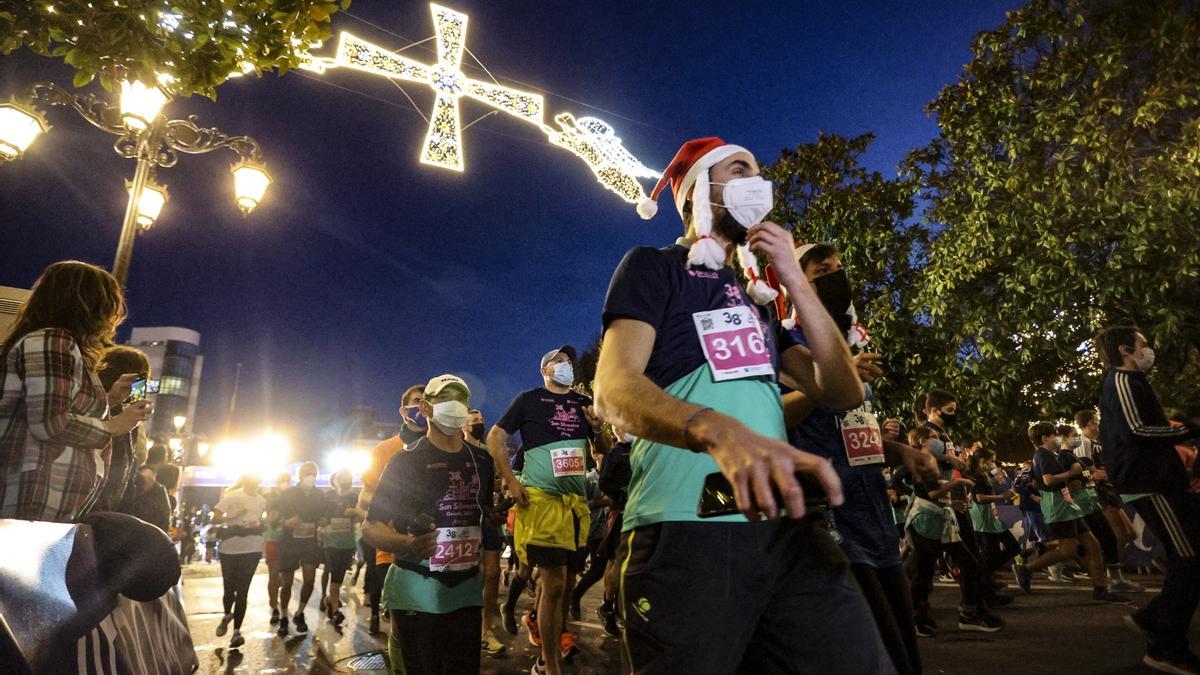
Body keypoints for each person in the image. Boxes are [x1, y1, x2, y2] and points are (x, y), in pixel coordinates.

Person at [594, 137, 889, 673]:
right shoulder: (654, 267)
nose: (757, 179)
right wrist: (717, 430)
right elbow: (612, 389)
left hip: (787, 525)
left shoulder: (758, 300)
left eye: (759, 169)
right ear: (694, 194)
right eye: (738, 169)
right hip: (687, 526)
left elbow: (841, 390)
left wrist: (794, 279)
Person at [774, 240, 933, 674]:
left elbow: (854, 428)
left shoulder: (854, 342)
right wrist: (829, 378)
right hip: (830, 522)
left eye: (838, 269)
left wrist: (901, 451)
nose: (835, 277)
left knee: (900, 648)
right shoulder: (785, 343)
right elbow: (772, 420)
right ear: (794, 286)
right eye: (821, 273)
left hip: (875, 518)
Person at [363, 375, 496, 674]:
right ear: (425, 407)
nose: (455, 404)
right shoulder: (404, 461)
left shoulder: (483, 461)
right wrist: (408, 544)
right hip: (418, 591)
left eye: (461, 398)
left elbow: (482, 513)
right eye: (445, 397)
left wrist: (491, 519)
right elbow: (370, 528)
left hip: (466, 592)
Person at [0, 261, 152, 522]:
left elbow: (60, 407)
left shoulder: (59, 343)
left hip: (40, 495)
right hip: (32, 495)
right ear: (87, 304)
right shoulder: (53, 341)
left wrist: (112, 398)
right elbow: (51, 422)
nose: (111, 318)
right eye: (108, 305)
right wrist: (115, 426)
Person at [489, 345, 604, 674]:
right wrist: (511, 480)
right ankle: (550, 665)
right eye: (559, 361)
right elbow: (496, 438)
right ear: (545, 370)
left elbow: (604, 450)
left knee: (566, 585)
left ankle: (541, 638)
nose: (567, 364)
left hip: (576, 510)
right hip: (542, 504)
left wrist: (597, 428)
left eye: (569, 361)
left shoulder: (584, 404)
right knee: (553, 584)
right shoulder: (529, 400)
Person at [1095, 325, 1200, 673]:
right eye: (1143, 344)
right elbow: (1136, 430)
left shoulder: (1134, 382)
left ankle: (1155, 619)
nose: (1148, 349)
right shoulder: (1122, 381)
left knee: (1190, 556)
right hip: (1149, 483)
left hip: (1161, 481)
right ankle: (1165, 643)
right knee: (1188, 558)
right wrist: (1187, 430)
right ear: (1126, 350)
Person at [896, 427, 1001, 637]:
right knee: (924, 573)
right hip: (925, 521)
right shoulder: (919, 462)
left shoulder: (936, 461)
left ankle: (969, 613)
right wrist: (958, 482)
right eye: (933, 439)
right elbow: (932, 492)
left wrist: (953, 499)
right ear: (920, 441)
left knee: (968, 563)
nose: (938, 442)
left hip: (941, 519)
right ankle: (916, 617)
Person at [1011, 422, 1130, 605]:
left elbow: (1038, 482)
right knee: (1067, 548)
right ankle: (1027, 568)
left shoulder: (1049, 455)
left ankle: (1101, 589)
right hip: (1058, 507)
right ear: (1045, 438)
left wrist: (1069, 483)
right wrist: (1070, 473)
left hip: (1066, 504)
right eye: (1055, 435)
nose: (1058, 438)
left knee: (1093, 544)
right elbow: (1048, 480)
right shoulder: (1043, 455)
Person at [358, 383, 427, 635]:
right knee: (403, 625)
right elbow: (364, 497)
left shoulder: (446, 446)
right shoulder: (384, 450)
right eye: (417, 400)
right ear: (403, 410)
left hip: (436, 549)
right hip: (392, 550)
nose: (422, 406)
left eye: (427, 401)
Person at [1075, 409, 1143, 593]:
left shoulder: (1098, 442)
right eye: (1096, 419)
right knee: (1118, 535)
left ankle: (1110, 573)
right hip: (1097, 492)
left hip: (1108, 490)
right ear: (1089, 423)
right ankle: (1111, 577)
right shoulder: (1083, 442)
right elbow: (1082, 471)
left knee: (1130, 535)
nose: (1098, 422)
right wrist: (1101, 474)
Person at [466, 409, 508, 657]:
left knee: (493, 572)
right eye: (474, 421)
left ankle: (486, 631)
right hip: (463, 519)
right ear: (463, 425)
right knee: (468, 574)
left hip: (487, 518)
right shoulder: (457, 450)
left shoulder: (487, 454)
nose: (479, 424)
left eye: (481, 421)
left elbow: (493, 485)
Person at [93, 345, 151, 512]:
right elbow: (133, 462)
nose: (141, 387)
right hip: (103, 504)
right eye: (142, 380)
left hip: (94, 501)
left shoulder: (90, 402)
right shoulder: (125, 414)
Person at [212, 473, 266, 649]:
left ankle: (236, 632)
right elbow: (215, 518)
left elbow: (259, 520)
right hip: (230, 547)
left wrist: (257, 525)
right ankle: (227, 614)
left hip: (252, 547)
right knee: (229, 589)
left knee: (243, 590)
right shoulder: (233, 496)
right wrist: (233, 516)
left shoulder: (261, 501)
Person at [275, 461, 326, 636]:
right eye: (307, 473)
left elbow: (324, 515)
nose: (310, 476)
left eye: (313, 473)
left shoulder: (320, 495)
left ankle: (300, 613)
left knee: (310, 580)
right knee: (287, 583)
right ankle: (283, 616)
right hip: (289, 542)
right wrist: (286, 522)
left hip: (309, 542)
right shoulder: (288, 494)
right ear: (300, 475)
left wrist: (322, 522)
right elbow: (274, 519)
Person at [965, 449, 1019, 593]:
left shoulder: (983, 475)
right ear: (982, 461)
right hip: (984, 520)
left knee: (1009, 548)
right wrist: (1003, 496)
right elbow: (980, 498)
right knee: (996, 552)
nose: (993, 464)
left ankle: (984, 578)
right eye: (991, 461)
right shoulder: (977, 476)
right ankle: (982, 579)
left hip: (992, 518)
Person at [323, 468, 360, 627]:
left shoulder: (354, 496)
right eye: (342, 477)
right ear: (335, 480)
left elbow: (363, 514)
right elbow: (321, 516)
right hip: (331, 542)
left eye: (348, 477)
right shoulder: (328, 497)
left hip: (348, 542)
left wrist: (355, 512)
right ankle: (336, 610)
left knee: (339, 573)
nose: (345, 480)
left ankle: (331, 603)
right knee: (335, 574)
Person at [264, 471, 291, 625]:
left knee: (284, 579)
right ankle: (274, 607)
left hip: (289, 541)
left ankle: (283, 607)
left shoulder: (294, 498)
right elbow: (269, 517)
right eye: (282, 480)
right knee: (273, 576)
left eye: (287, 480)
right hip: (273, 540)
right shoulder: (270, 497)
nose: (285, 483)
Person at [123, 464, 172, 533]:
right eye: (145, 478)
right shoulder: (130, 491)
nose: (147, 481)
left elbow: (165, 519)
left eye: (151, 480)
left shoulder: (159, 494)